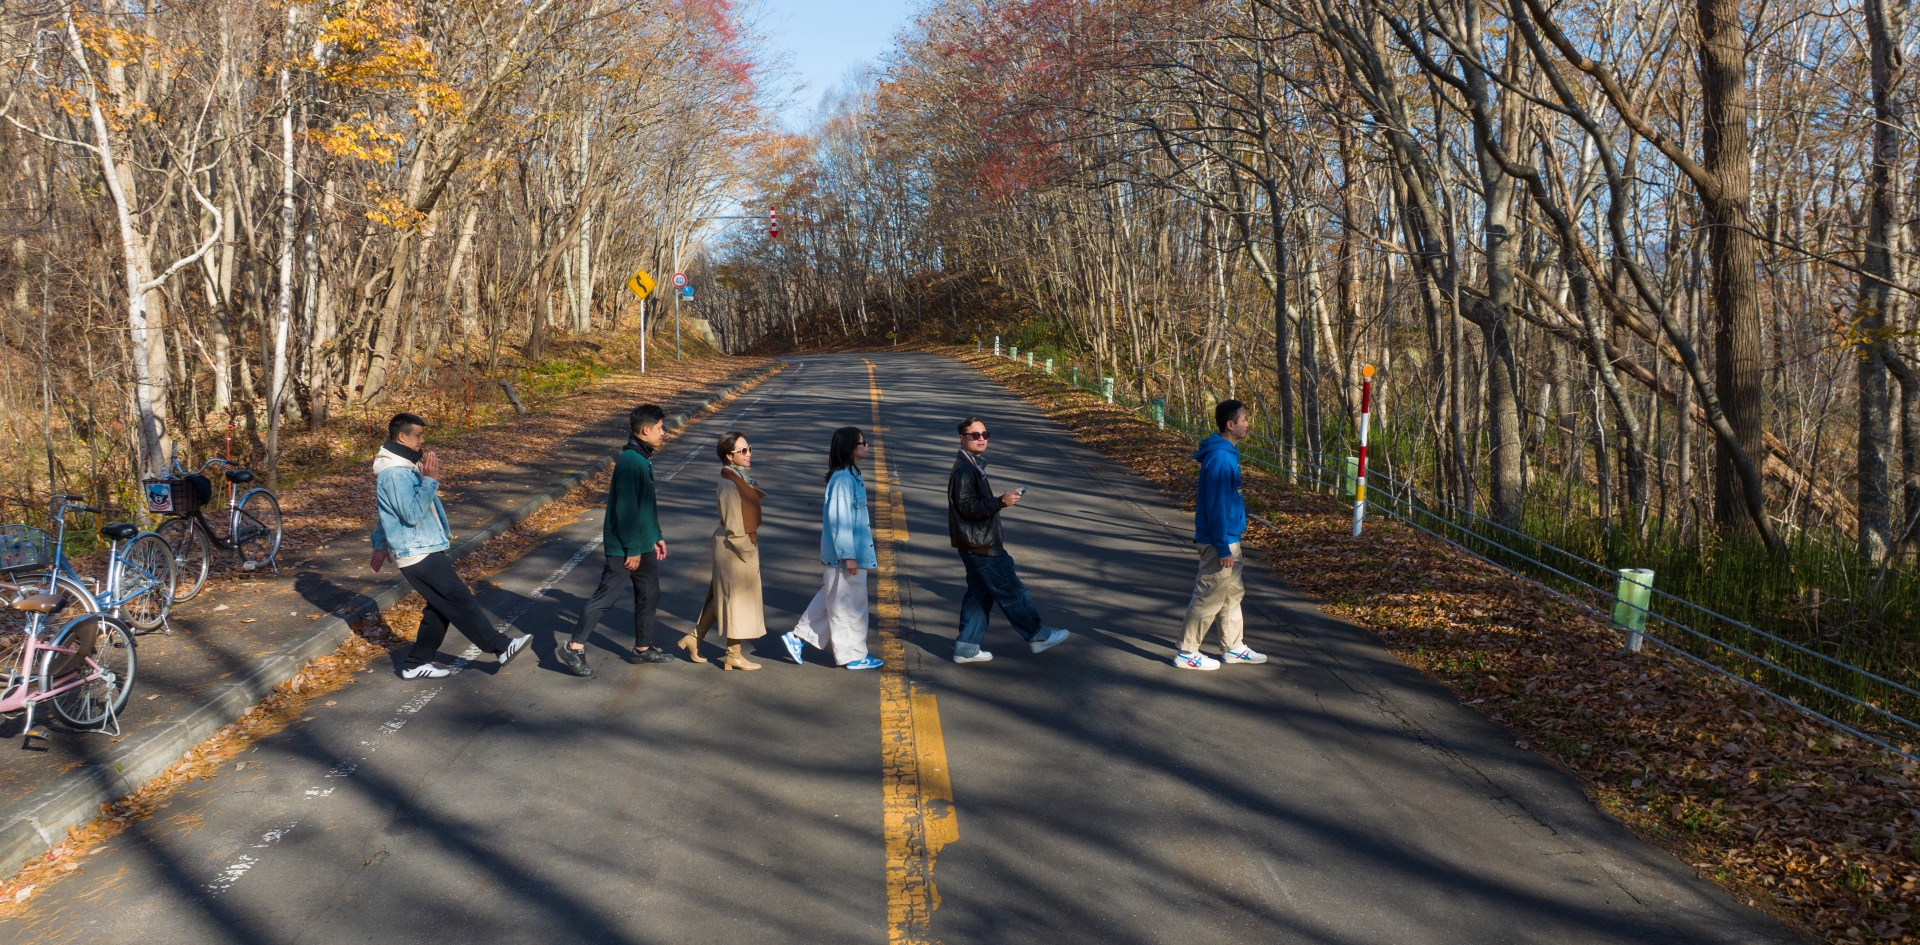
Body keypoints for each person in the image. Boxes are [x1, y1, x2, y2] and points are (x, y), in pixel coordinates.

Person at [370, 412, 531, 679]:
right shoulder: (395, 473)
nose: (422, 441)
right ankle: (500, 647)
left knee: (440, 608)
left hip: (422, 548)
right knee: (459, 599)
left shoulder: (402, 467)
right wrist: (430, 480)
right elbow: (409, 515)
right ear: (402, 436)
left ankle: (414, 663)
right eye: (418, 435)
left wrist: (379, 543)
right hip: (417, 551)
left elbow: (389, 513)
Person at [557, 404, 674, 677]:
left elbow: (646, 506)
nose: (663, 433)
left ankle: (642, 649)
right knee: (605, 598)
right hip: (626, 547)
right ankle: (574, 647)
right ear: (645, 431)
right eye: (660, 428)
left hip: (643, 544)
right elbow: (626, 511)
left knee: (649, 594)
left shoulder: (642, 458)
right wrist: (632, 549)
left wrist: (656, 536)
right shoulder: (631, 462)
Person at [946, 417, 1069, 663]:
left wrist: (1000, 501)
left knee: (979, 595)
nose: (981, 438)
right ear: (962, 438)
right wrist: (1001, 501)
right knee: (1012, 591)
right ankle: (1037, 635)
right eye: (974, 435)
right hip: (981, 545)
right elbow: (967, 507)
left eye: (984, 434)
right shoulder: (964, 470)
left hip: (973, 543)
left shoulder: (972, 465)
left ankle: (966, 646)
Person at [1175, 399, 1269, 671]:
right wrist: (1223, 546)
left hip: (1229, 539)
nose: (1247, 423)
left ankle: (1233, 647)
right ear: (1230, 425)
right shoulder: (1219, 459)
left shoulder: (1227, 454)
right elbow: (1216, 507)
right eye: (1243, 419)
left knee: (1231, 594)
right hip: (1220, 542)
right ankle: (1186, 652)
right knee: (1209, 596)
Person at [780, 427, 883, 670]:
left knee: (833, 600)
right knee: (850, 607)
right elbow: (840, 520)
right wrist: (848, 556)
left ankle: (798, 637)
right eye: (862, 442)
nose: (866, 446)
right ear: (849, 448)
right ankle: (853, 656)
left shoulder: (851, 475)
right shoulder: (843, 479)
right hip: (844, 558)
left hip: (846, 556)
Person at [692, 431, 768, 671]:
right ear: (728, 455)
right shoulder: (728, 483)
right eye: (742, 451)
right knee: (735, 602)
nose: (748, 454)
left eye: (749, 448)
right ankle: (732, 655)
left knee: (724, 598)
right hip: (735, 547)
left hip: (736, 545)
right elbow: (735, 528)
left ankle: (694, 639)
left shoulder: (738, 476)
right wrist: (749, 553)